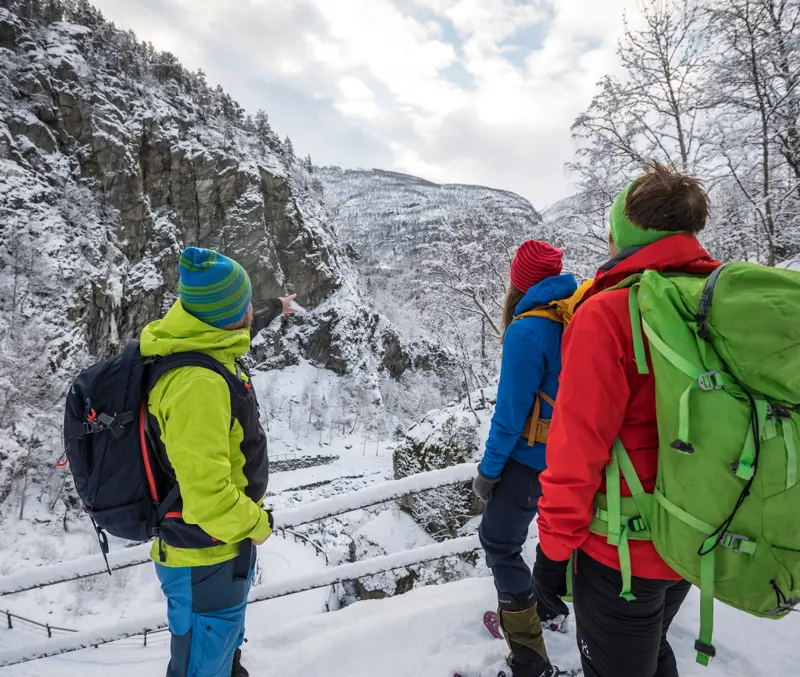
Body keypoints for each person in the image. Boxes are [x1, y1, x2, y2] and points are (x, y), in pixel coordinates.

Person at [533, 162, 720, 677]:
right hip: (697, 536)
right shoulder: (715, 300)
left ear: (625, 234)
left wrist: (551, 552)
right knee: (652, 649)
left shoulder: (608, 313)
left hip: (624, 553)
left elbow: (576, 448)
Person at [140, 247, 296, 677]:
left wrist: (275, 307)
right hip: (203, 555)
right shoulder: (199, 385)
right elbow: (208, 500)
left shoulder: (205, 341)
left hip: (219, 552)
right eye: (246, 303)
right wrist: (258, 525)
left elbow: (246, 319)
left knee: (219, 650)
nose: (252, 309)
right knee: (199, 665)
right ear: (227, 315)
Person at [473, 240, 577, 677]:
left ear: (518, 282)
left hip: (528, 461)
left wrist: (488, 471)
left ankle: (529, 659)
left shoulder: (526, 330)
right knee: (564, 535)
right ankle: (549, 606)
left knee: (499, 542)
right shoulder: (575, 314)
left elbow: (510, 416)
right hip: (572, 455)